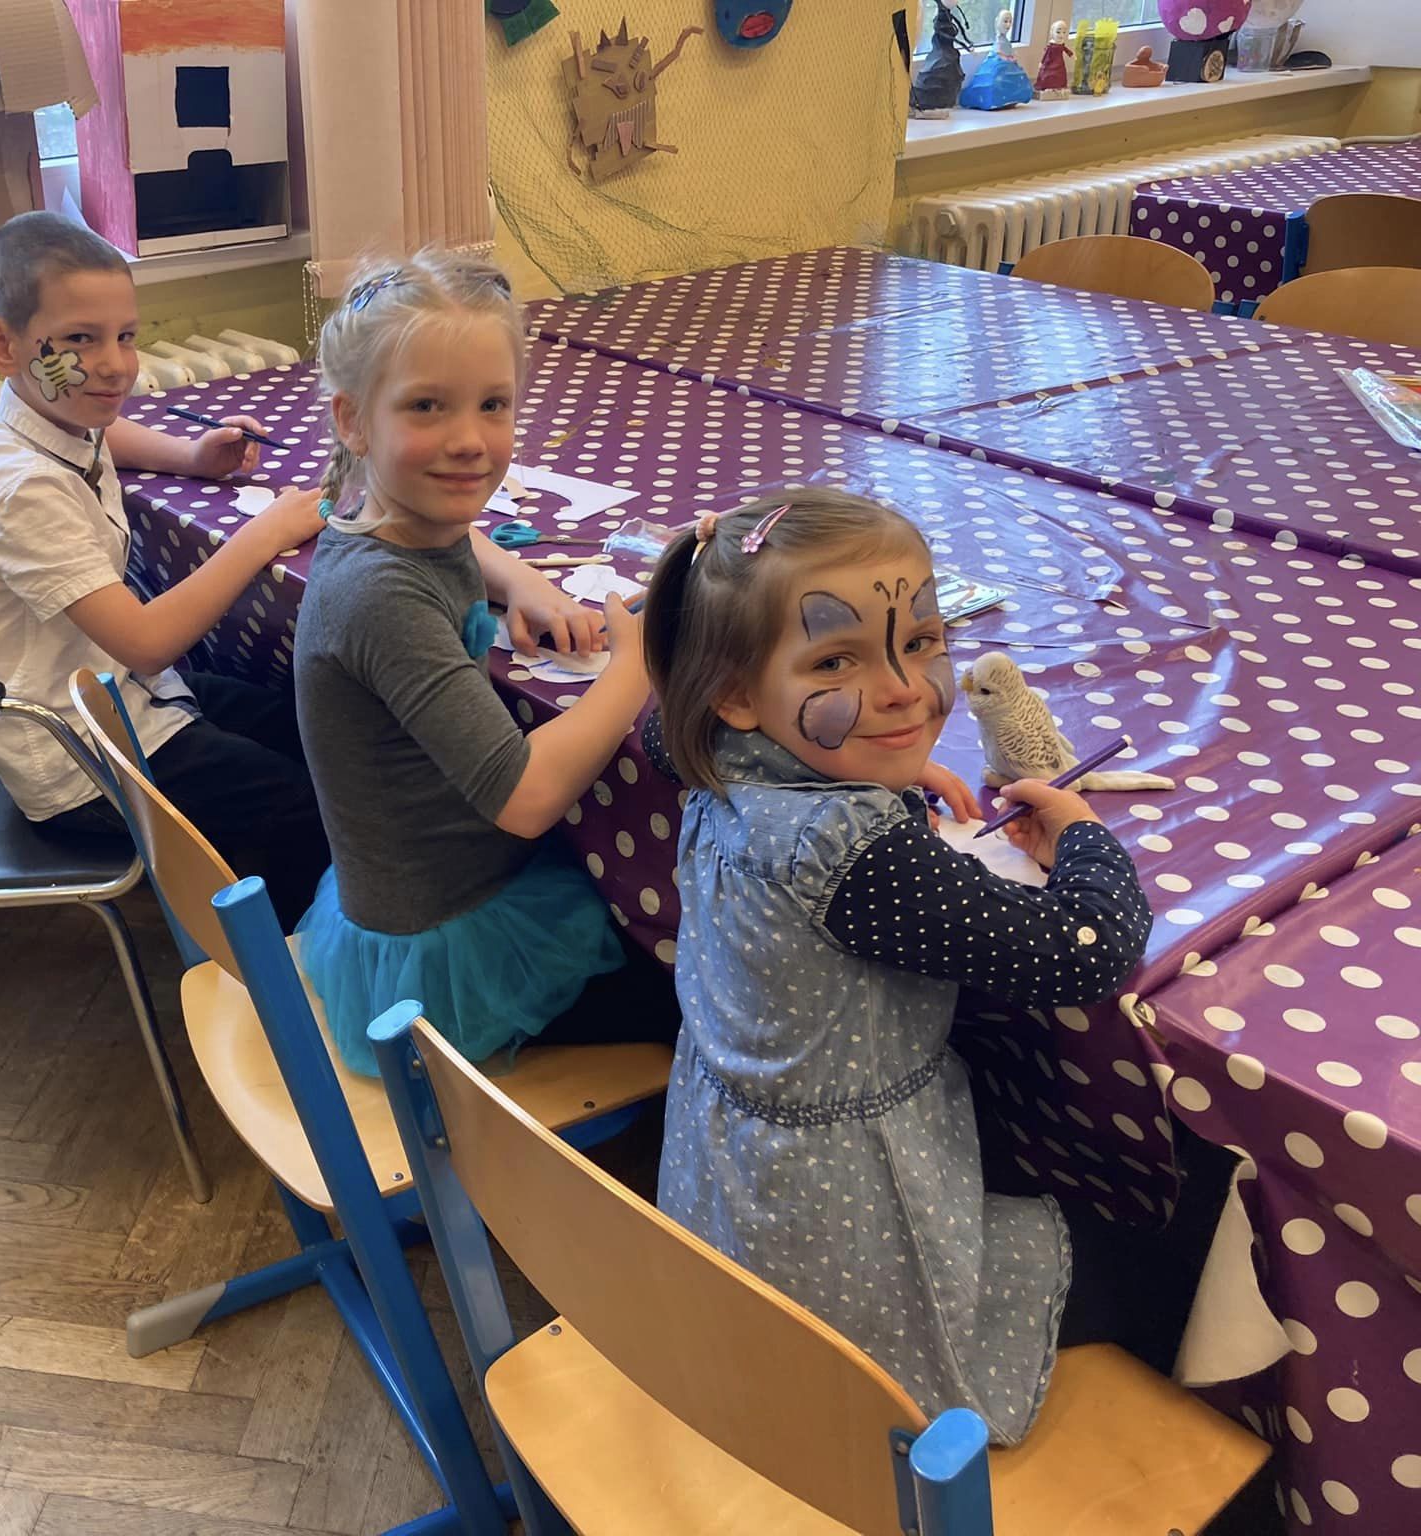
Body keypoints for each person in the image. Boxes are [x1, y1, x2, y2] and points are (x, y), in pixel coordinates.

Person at [642, 487, 1173, 1448]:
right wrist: (1083, 836)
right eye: (835, 659)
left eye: (921, 640)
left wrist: (880, 766)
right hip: (844, 1239)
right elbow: (1085, 950)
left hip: (734, 1183)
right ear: (734, 693)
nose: (904, 690)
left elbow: (659, 724)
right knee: (1162, 1254)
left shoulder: (708, 748)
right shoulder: (859, 856)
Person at [291, 249, 678, 1076]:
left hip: (434, 893)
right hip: (445, 955)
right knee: (695, 984)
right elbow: (526, 798)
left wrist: (525, 582)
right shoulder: (381, 597)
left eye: (493, 405)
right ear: (353, 422)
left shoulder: (383, 519)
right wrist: (635, 667)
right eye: (427, 407)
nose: (469, 442)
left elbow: (459, 540)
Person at [0, 212, 330, 926]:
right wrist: (263, 534)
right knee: (299, 810)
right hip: (78, 758)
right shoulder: (20, 487)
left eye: (125, 335)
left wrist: (191, 456)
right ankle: (285, 969)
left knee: (314, 727)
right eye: (80, 339)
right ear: (2, 345)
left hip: (125, 697)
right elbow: (148, 643)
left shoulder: (46, 415)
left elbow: (105, 432)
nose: (116, 364)